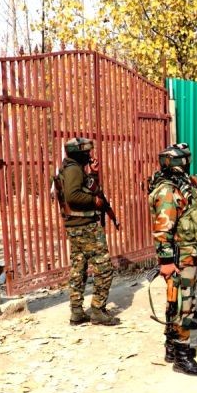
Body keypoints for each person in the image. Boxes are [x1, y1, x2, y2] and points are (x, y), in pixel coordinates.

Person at [148, 143, 197, 376]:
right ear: (181, 164)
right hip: (180, 258)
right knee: (183, 305)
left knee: (177, 302)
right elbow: (162, 231)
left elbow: (193, 183)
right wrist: (167, 262)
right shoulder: (167, 191)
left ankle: (172, 347)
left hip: (189, 255)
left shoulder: (180, 182)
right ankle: (182, 356)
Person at [53, 137, 119, 326]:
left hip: (76, 226)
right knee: (104, 268)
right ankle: (97, 310)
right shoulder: (73, 169)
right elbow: (74, 196)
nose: (90, 154)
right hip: (85, 226)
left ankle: (76, 312)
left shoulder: (71, 167)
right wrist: (94, 202)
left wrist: (95, 174)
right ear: (80, 153)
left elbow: (90, 187)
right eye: (87, 152)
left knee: (78, 268)